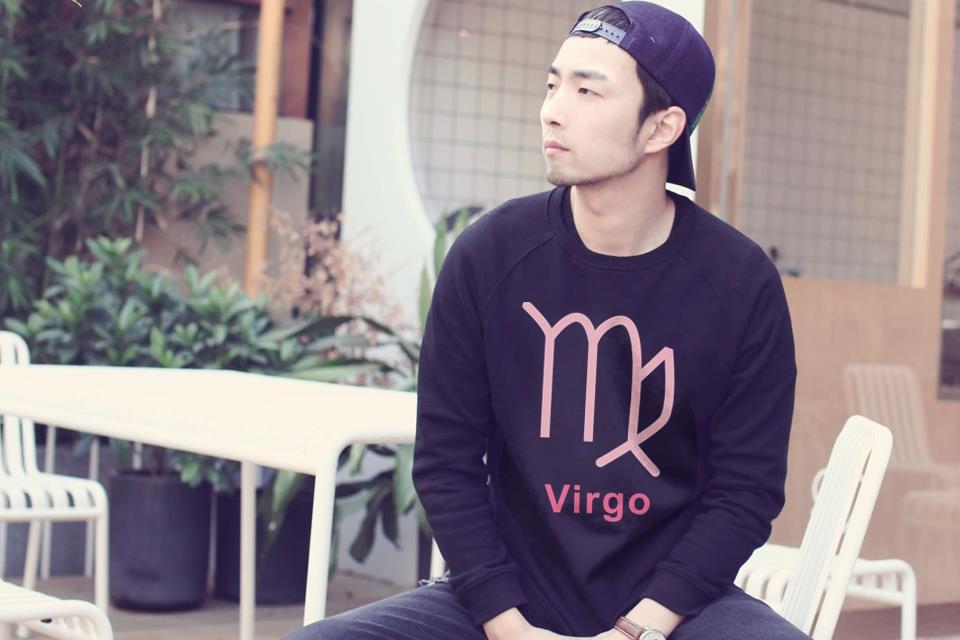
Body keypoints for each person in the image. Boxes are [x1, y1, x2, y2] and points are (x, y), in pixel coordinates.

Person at [283, 2, 807, 639]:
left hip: (672, 612)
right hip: (507, 604)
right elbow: (447, 464)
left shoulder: (739, 283)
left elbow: (745, 491)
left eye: (588, 91)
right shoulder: (490, 255)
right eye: (553, 85)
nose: (552, 110)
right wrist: (509, 627)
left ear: (661, 128)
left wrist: (637, 631)